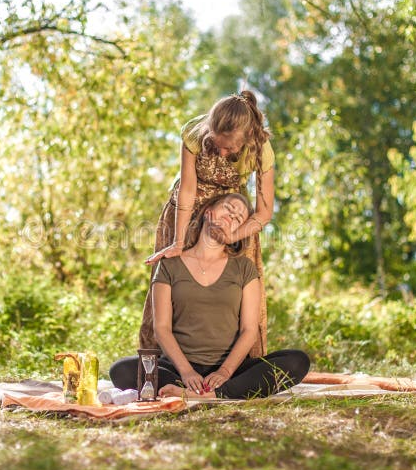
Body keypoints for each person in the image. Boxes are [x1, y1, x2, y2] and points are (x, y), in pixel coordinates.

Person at [112, 193, 309, 399]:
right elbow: (161, 328)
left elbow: (249, 330)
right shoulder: (170, 265)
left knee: (297, 361)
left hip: (231, 370)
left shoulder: (244, 268)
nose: (232, 216)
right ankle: (202, 390)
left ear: (238, 231)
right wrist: (187, 371)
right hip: (179, 368)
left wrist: (224, 372)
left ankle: (208, 394)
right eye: (228, 208)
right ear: (209, 212)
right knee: (121, 370)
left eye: (238, 218)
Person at [141, 91, 275, 359]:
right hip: (184, 212)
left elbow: (264, 212)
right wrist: (178, 242)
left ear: (246, 139)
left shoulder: (261, 148)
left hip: (231, 215)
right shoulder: (194, 132)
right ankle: (158, 364)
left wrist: (233, 234)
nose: (222, 152)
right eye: (217, 144)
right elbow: (188, 191)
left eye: (230, 149)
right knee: (173, 278)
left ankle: (236, 364)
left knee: (238, 285)